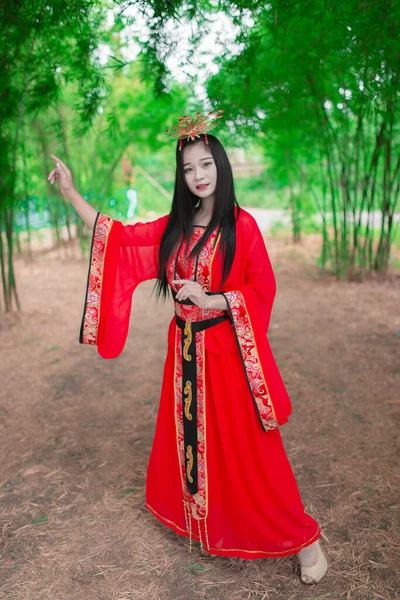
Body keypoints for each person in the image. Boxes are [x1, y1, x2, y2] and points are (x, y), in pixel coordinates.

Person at [47, 111, 328, 585]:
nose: (198, 176)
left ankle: (307, 543)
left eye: (205, 165)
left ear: (220, 166)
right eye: (188, 169)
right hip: (184, 353)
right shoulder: (175, 225)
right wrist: (71, 193)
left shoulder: (242, 226)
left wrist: (212, 298)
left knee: (252, 451)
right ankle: (209, 523)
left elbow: (263, 290)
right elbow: (118, 236)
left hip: (227, 353)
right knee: (198, 445)